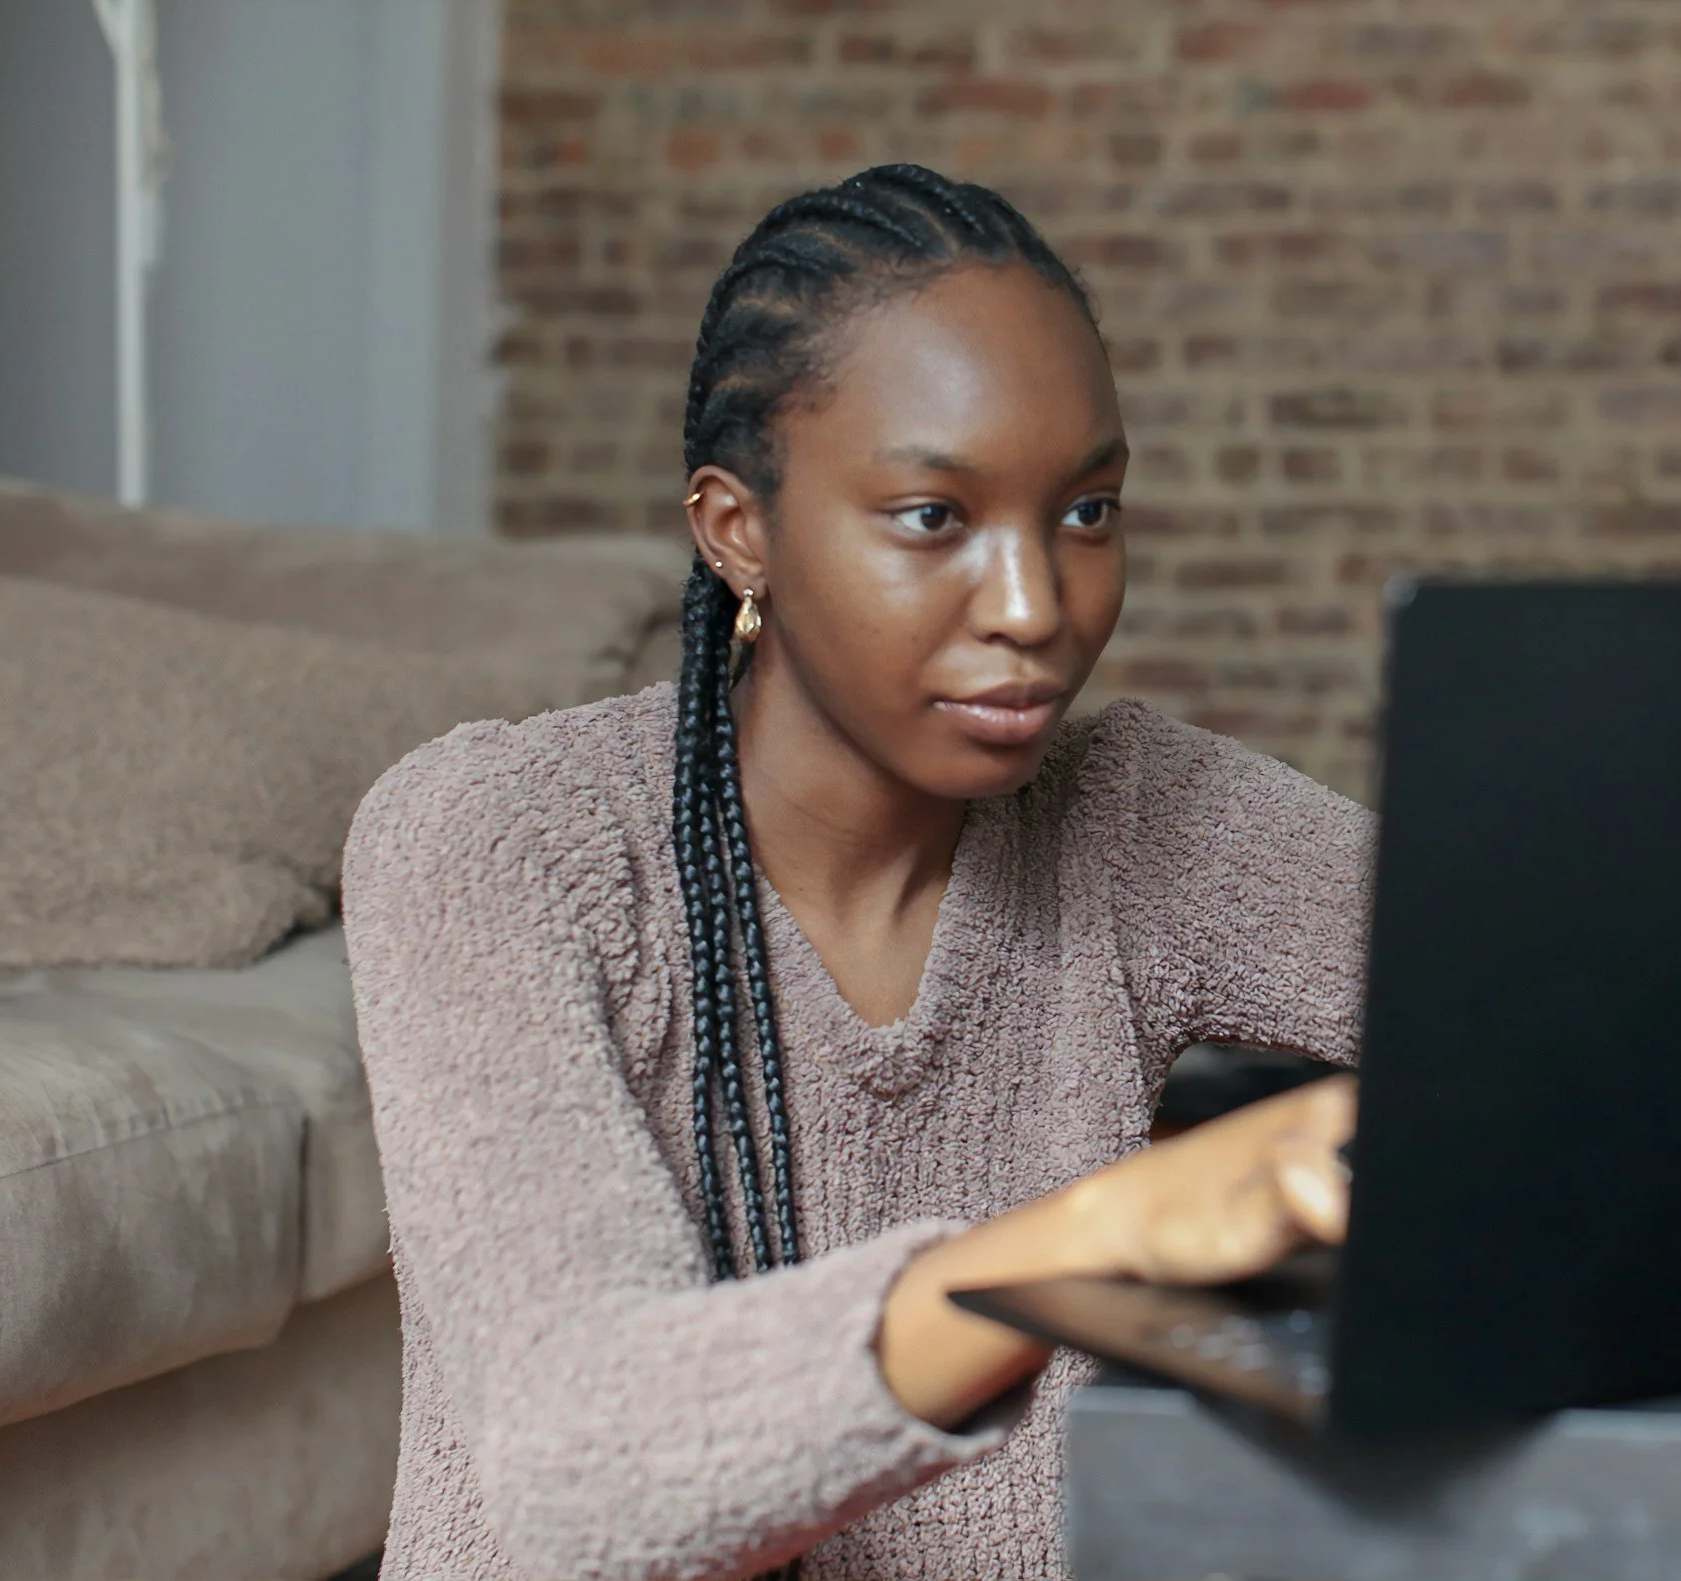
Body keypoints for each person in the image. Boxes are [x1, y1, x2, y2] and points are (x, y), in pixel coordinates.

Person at [341, 164, 1369, 1579]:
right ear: (735, 531)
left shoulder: (1136, 817)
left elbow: (1556, 990)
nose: (1036, 610)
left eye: (1085, 513)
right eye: (933, 519)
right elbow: (582, 1468)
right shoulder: (498, 837)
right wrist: (1096, 1246)